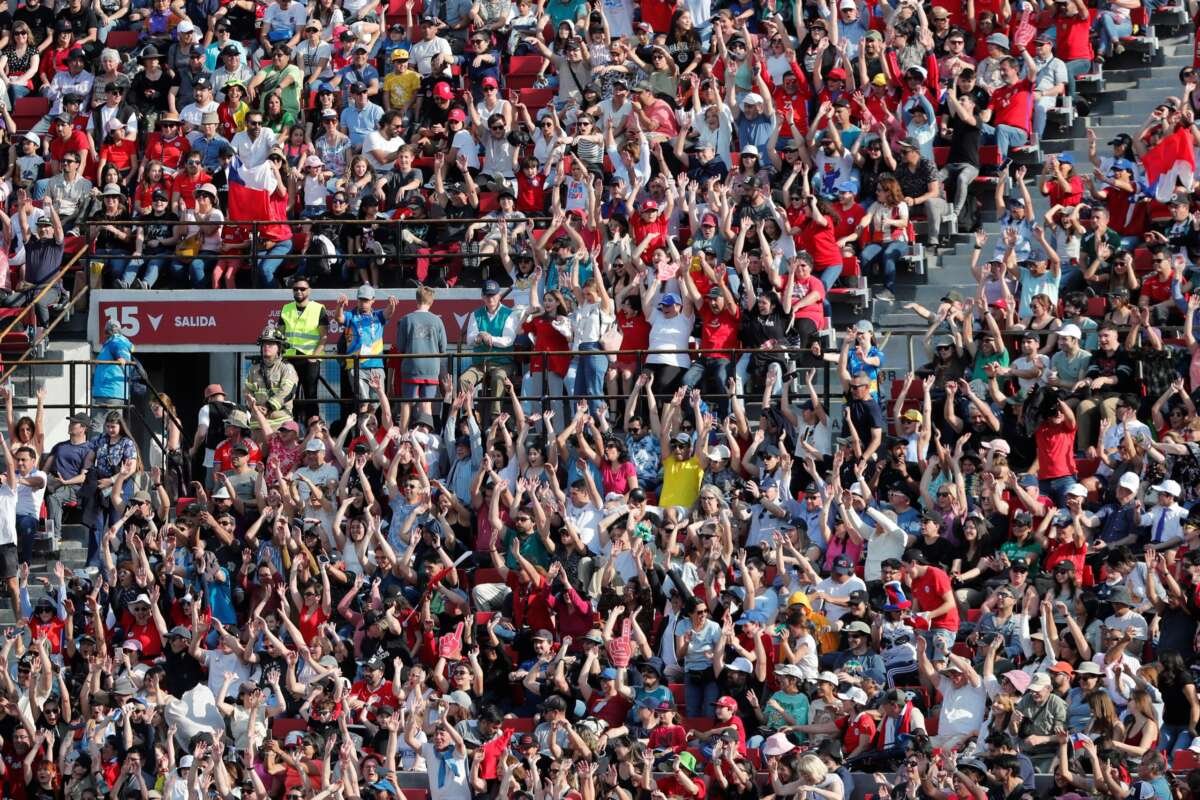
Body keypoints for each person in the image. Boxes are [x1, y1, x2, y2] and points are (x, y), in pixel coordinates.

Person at [278, 278, 330, 422]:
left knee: (310, 395)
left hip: (310, 359)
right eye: (295, 289)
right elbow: (279, 335)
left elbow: (324, 337)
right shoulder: (286, 308)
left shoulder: (319, 308)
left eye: (302, 289)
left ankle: (313, 430)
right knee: (288, 394)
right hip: (290, 359)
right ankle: (290, 428)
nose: (299, 291)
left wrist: (314, 356)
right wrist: (280, 354)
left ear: (309, 290)